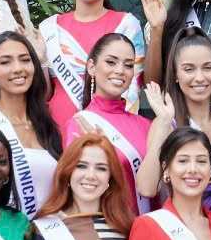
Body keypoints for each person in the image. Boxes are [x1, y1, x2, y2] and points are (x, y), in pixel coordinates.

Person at [41, 0, 149, 114]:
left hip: (109, 133)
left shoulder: (126, 26)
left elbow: (132, 89)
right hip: (56, 130)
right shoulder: (49, 28)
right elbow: (42, 95)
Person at [138, 31, 211, 205]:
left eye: (207, 67)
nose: (199, 78)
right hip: (183, 229)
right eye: (189, 69)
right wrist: (163, 124)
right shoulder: (167, 124)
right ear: (176, 74)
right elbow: (146, 188)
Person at [0, 31, 65, 216]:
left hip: (52, 236)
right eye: (6, 62)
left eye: (24, 60)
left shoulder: (46, 123)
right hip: (11, 237)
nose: (17, 68)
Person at [64, 30, 153, 183]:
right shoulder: (79, 125)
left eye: (128, 65)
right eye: (111, 62)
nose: (120, 71)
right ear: (92, 67)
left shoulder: (145, 125)